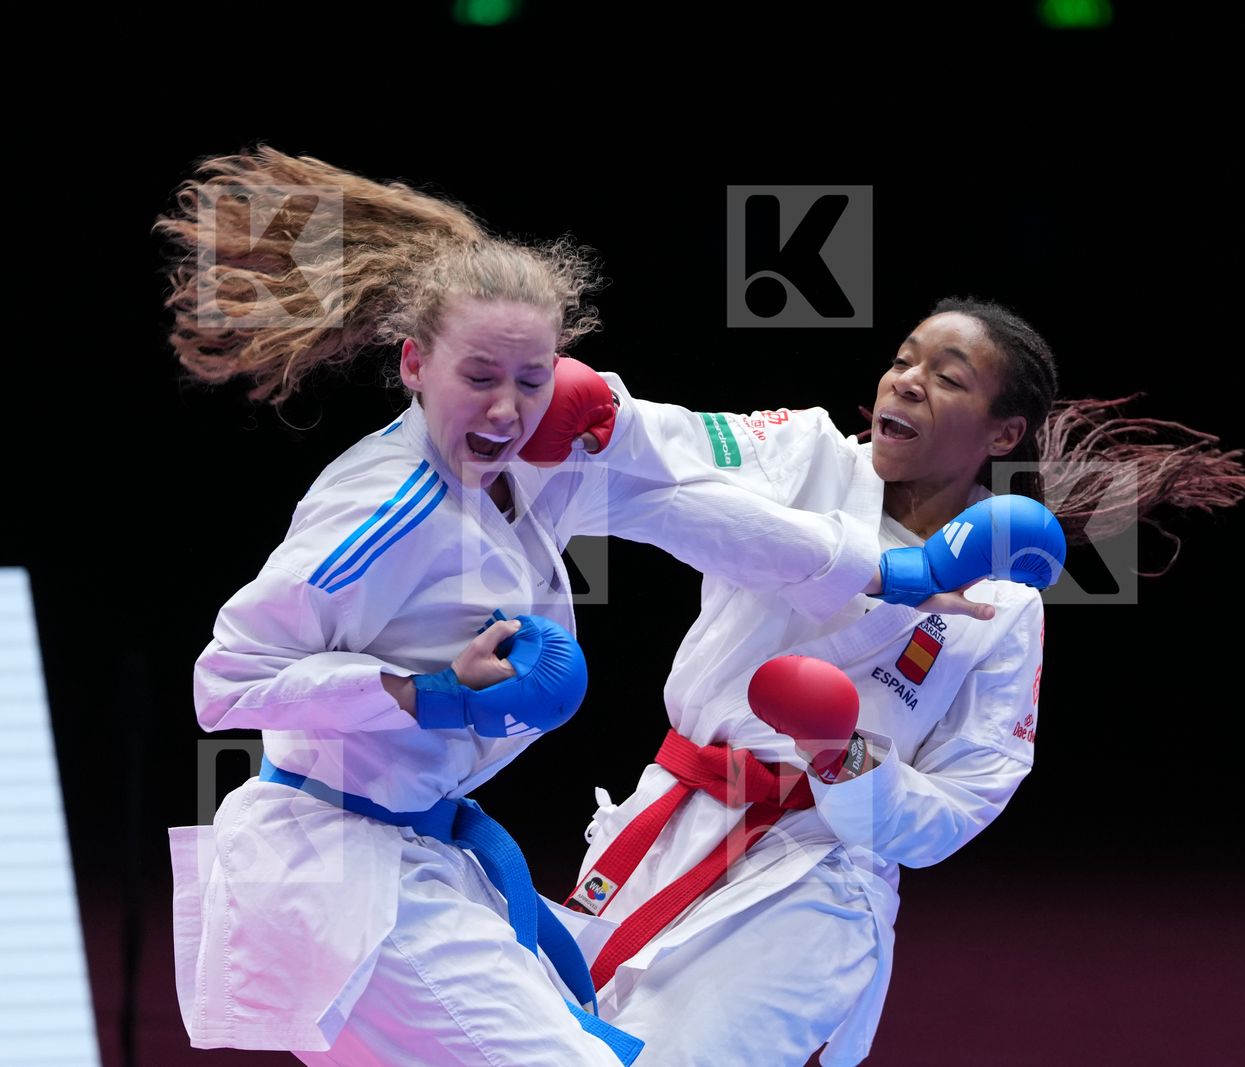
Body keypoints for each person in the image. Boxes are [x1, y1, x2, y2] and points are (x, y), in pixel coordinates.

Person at [155, 147, 1013, 1066]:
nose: (506, 407)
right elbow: (228, 685)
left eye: (532, 380)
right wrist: (424, 693)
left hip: (425, 854)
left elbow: (694, 512)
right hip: (336, 863)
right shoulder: (384, 510)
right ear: (413, 363)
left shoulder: (529, 464)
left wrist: (892, 574)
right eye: (479, 375)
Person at [529, 300, 1245, 1065]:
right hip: (667, 821)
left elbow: (964, 801)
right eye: (903, 360)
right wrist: (607, 416)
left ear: (1003, 433)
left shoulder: (1005, 604)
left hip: (812, 879)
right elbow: (674, 455)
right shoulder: (804, 452)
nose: (907, 383)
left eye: (946, 378)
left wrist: (843, 756)